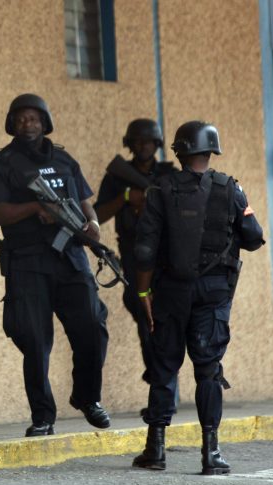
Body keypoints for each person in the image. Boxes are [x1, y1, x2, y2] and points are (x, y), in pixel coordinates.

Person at [132, 121, 264, 475]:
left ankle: (156, 449)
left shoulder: (160, 189)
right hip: (214, 293)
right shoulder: (230, 189)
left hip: (171, 291)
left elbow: (144, 251)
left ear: (178, 152)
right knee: (208, 370)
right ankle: (211, 453)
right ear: (211, 150)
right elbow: (254, 237)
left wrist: (143, 292)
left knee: (164, 366)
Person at [0, 93, 111, 438]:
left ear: (45, 122)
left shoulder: (64, 160)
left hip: (70, 259)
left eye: (34, 119)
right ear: (12, 124)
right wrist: (35, 209)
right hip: (28, 262)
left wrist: (93, 225)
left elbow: (85, 202)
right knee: (35, 342)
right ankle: (43, 416)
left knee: (92, 328)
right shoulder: (2, 164)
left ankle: (87, 397)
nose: (28, 124)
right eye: (21, 119)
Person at [94, 119, 176, 387]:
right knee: (143, 315)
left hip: (165, 256)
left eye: (148, 141)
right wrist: (126, 197)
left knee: (164, 319)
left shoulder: (169, 174)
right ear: (129, 144)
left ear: (157, 143)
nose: (143, 146)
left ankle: (161, 380)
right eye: (137, 141)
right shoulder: (118, 177)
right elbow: (96, 216)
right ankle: (158, 380)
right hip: (133, 256)